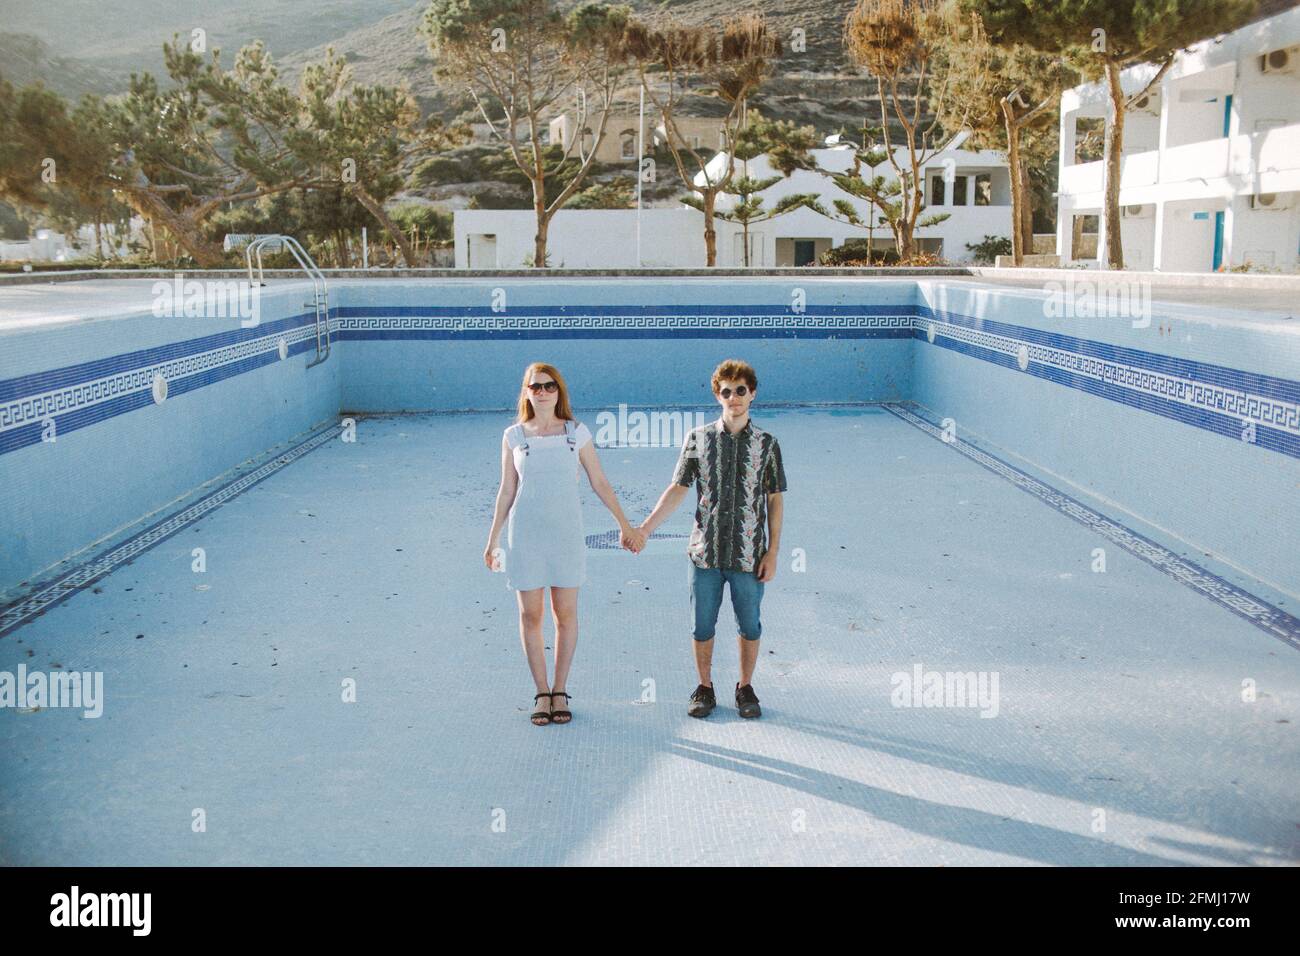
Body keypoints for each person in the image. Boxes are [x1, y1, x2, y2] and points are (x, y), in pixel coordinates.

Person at [484, 363, 646, 726]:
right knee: (530, 615)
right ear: (526, 392)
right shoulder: (513, 436)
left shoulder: (577, 433)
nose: (542, 392)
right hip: (525, 537)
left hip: (566, 537)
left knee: (565, 614)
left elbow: (599, 482)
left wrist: (625, 524)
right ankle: (541, 692)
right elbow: (507, 490)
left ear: (559, 391)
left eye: (549, 386)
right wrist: (492, 539)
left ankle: (560, 689)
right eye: (535, 386)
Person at [638, 359, 786, 719]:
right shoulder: (698, 439)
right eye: (726, 392)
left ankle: (745, 686)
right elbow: (678, 488)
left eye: (740, 391)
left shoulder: (767, 444)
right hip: (704, 553)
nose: (733, 398)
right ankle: (704, 686)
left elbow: (775, 499)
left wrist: (773, 551)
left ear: (752, 394)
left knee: (749, 624)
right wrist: (645, 528)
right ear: (716, 395)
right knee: (702, 624)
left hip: (749, 555)